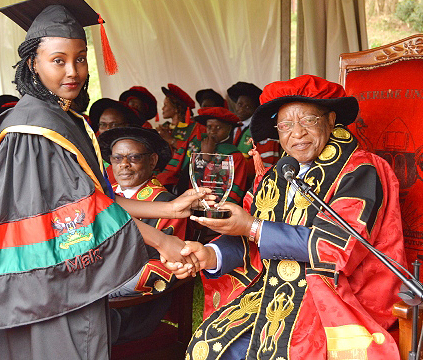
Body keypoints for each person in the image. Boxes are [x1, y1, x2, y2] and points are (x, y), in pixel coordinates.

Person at [0, 0, 203, 360]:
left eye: (80, 59)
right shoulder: (34, 128)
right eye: (58, 60)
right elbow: (78, 213)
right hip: (50, 284)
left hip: (60, 277)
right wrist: (162, 241)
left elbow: (95, 199)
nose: (73, 71)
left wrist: (170, 210)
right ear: (33, 64)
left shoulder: (61, 117)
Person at [167, 75, 406, 360]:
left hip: (334, 297)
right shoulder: (277, 175)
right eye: (286, 125)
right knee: (209, 346)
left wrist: (252, 226)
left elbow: (336, 248)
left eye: (308, 121)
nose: (297, 134)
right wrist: (210, 254)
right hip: (272, 292)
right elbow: (250, 237)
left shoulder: (360, 172)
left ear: (331, 121)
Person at [99, 126, 188, 343]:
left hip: (132, 306)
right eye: (117, 158)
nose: (123, 165)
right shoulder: (104, 197)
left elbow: (164, 267)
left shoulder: (166, 203)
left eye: (134, 157)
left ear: (152, 161)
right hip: (97, 296)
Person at [174, 107, 248, 204]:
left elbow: (232, 191)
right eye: (209, 127)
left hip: (219, 210)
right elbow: (192, 182)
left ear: (229, 129)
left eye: (218, 127)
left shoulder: (235, 156)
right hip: (195, 205)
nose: (212, 131)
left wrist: (206, 158)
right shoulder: (200, 148)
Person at [228, 81, 281, 170]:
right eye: (239, 104)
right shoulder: (234, 127)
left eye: (247, 107)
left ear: (255, 109)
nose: (241, 109)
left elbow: (266, 163)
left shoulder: (264, 130)